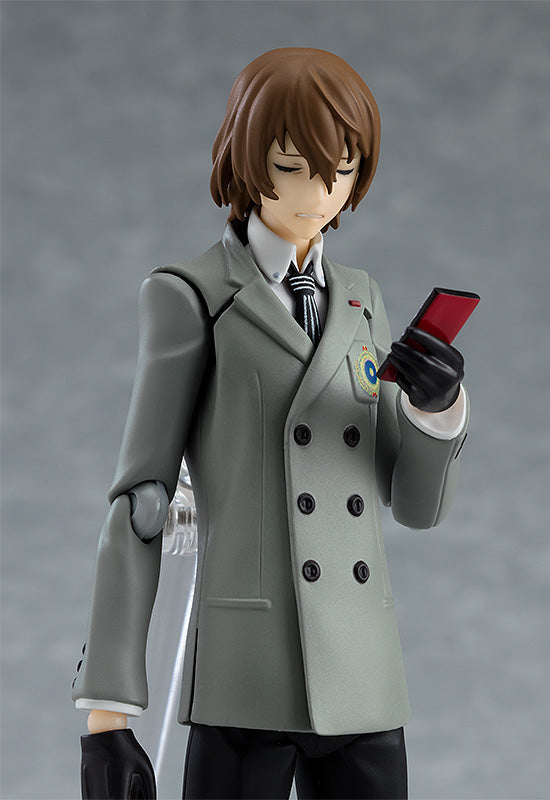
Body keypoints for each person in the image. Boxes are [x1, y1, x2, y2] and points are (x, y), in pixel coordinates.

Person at [73, 48, 469, 800]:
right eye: (292, 166)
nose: (319, 193)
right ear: (247, 160)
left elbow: (414, 506)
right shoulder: (193, 294)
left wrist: (436, 411)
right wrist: (107, 715)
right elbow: (142, 505)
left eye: (342, 169)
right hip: (245, 673)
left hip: (361, 670)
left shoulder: (361, 298)